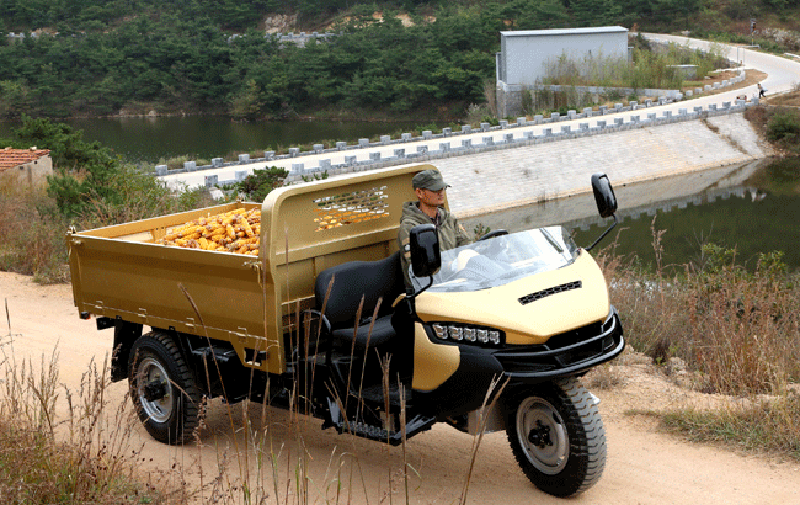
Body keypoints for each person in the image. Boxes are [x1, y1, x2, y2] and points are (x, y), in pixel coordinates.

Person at [398, 169, 471, 290]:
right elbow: (418, 267)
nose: (441, 193)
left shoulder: (449, 219)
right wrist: (452, 265)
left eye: (442, 188)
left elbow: (465, 245)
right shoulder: (410, 227)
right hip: (428, 288)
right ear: (419, 193)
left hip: (456, 280)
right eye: (435, 190)